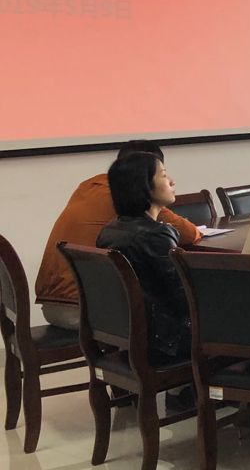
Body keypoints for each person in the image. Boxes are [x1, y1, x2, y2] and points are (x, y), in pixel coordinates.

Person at [35, 140, 203, 330]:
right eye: (163, 174)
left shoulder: (90, 188)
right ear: (142, 178)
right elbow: (190, 234)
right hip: (88, 310)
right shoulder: (131, 202)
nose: (171, 181)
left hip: (59, 303)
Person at [95, 152, 191, 361]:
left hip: (133, 334)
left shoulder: (110, 230)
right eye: (163, 175)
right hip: (167, 341)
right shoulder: (155, 235)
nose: (172, 181)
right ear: (144, 186)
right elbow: (183, 296)